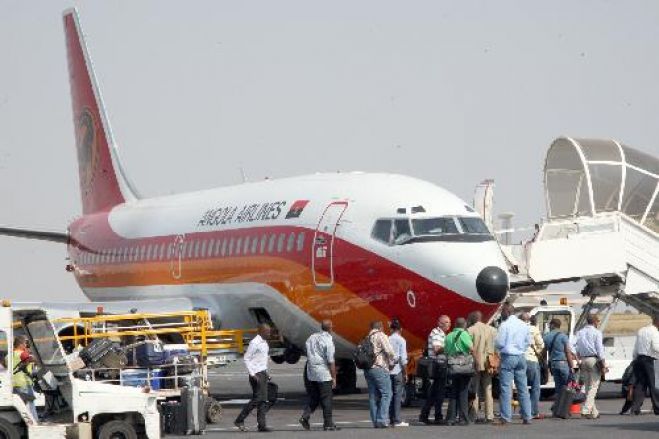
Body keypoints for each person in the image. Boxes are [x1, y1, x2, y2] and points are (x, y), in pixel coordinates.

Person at [494, 304, 532, 425]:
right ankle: (527, 416)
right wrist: (521, 348)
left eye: (502, 311)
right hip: (521, 356)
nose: (501, 313)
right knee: (523, 387)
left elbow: (499, 342)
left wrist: (499, 348)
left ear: (507, 312)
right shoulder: (523, 325)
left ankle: (506, 417)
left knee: (506, 388)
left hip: (508, 356)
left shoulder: (504, 325)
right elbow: (528, 342)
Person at [299, 320, 340, 431]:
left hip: (311, 370)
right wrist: (334, 377)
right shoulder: (328, 341)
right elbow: (331, 361)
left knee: (315, 396)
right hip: (323, 372)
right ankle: (328, 423)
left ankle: (305, 416)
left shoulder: (312, 337)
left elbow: (306, 349)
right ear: (330, 328)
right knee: (327, 398)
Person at [235, 324, 273, 432]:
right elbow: (246, 358)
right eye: (267, 332)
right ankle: (239, 420)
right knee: (257, 399)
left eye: (269, 332)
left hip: (263, 373)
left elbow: (261, 360)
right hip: (256, 375)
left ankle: (262, 425)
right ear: (261, 331)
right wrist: (252, 374)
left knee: (263, 400)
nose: (269, 334)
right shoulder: (254, 343)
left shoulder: (264, 342)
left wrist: (266, 373)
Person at [363, 321, 396, 428]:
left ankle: (375, 421)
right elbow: (389, 350)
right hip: (379, 367)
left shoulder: (367, 337)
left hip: (368, 369)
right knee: (387, 394)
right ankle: (382, 419)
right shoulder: (381, 335)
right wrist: (394, 360)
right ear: (381, 327)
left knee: (373, 396)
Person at [419, 315, 451, 424]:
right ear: (440, 323)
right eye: (446, 322)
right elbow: (437, 349)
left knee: (435, 392)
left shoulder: (442, 334)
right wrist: (449, 346)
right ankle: (437, 416)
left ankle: (426, 414)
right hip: (438, 366)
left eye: (449, 322)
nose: (449, 324)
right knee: (438, 392)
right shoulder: (436, 333)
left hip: (441, 365)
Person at [467, 310, 497, 424]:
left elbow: (469, 347)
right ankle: (489, 415)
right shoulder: (492, 329)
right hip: (489, 362)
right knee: (488, 388)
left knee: (475, 390)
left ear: (474, 318)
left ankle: (473, 415)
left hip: (476, 363)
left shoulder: (470, 330)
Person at [574, 314, 606, 419]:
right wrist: (603, 365)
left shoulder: (580, 332)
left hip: (583, 359)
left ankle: (594, 412)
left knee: (587, 386)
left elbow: (575, 347)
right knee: (594, 386)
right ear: (595, 322)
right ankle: (586, 409)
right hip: (593, 359)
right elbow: (600, 350)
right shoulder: (597, 333)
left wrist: (578, 358)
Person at [444, 317, 474, 426]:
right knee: (463, 392)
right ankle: (463, 418)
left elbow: (446, 350)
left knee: (453, 392)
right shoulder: (465, 335)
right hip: (464, 366)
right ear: (464, 325)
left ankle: (450, 419)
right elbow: (471, 348)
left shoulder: (449, 336)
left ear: (455, 324)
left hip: (453, 366)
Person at [629, 312, 659, 415]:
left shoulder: (641, 330)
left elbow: (636, 347)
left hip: (639, 359)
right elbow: (656, 347)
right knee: (654, 385)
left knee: (640, 385)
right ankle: (657, 408)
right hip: (651, 360)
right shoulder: (655, 332)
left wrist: (634, 359)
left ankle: (635, 408)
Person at [542, 319, 573, 405]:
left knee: (558, 387)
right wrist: (571, 365)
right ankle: (565, 407)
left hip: (553, 364)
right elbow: (567, 352)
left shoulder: (546, 336)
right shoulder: (563, 336)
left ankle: (558, 407)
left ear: (552, 325)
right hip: (563, 363)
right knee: (567, 386)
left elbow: (544, 352)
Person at [520, 312, 544, 419]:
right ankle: (533, 411)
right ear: (529, 320)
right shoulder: (533, 329)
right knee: (535, 387)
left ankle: (523, 411)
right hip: (531, 359)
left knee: (522, 387)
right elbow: (541, 344)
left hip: (519, 359)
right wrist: (537, 352)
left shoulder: (516, 329)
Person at [12, 336, 38, 422]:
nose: (26, 345)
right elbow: (36, 360)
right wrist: (29, 352)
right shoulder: (23, 354)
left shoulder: (8, 355)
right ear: (20, 344)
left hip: (13, 385)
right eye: (25, 344)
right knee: (30, 406)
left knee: (21, 407)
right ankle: (35, 425)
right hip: (24, 384)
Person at [388, 319, 409, 427]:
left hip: (387, 371)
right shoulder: (401, 340)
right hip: (397, 371)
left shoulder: (387, 339)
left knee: (389, 395)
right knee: (397, 395)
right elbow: (403, 359)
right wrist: (406, 373)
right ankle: (396, 419)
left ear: (391, 329)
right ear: (401, 329)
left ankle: (390, 418)